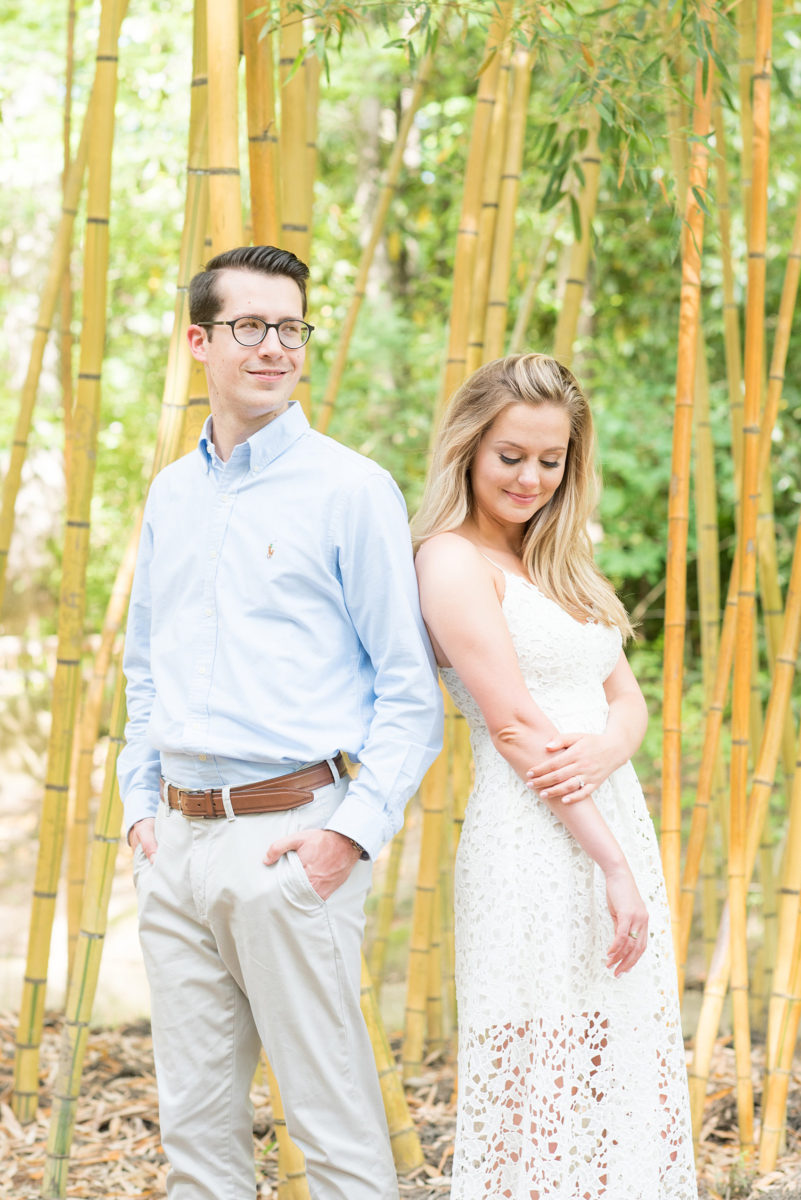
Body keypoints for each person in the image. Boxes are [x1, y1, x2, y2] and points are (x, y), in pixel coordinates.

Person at [117, 244, 443, 1200]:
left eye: (290, 328)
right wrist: (142, 808)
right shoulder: (171, 493)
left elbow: (408, 689)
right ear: (198, 341)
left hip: (288, 842)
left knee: (335, 1134)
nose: (274, 347)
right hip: (173, 846)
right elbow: (146, 666)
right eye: (249, 327)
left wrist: (346, 836)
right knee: (196, 1136)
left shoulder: (350, 489)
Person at [413, 353, 697, 1199]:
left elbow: (625, 697)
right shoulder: (450, 560)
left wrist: (612, 749)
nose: (531, 477)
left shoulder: (559, 561)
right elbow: (513, 727)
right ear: (468, 446)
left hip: (608, 817)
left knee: (612, 1053)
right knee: (544, 1062)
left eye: (551, 459)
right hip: (532, 837)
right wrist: (609, 862)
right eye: (511, 456)